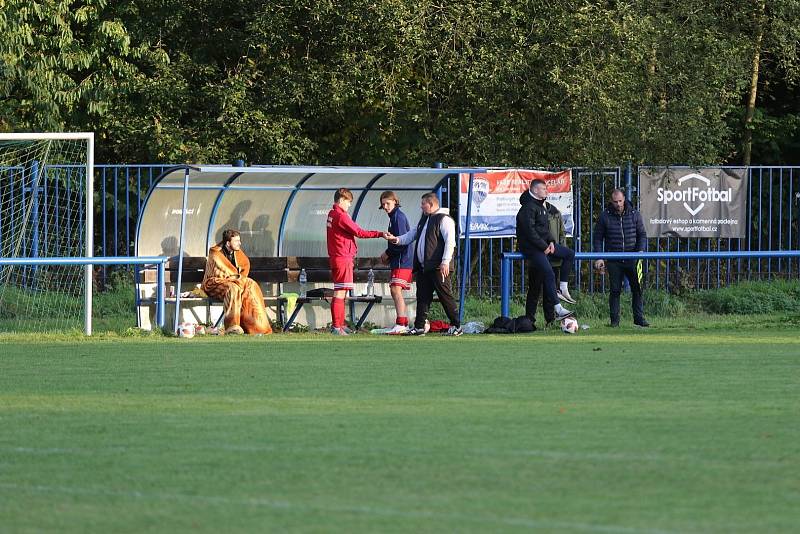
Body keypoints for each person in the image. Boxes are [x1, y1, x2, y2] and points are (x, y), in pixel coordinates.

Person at [389, 192, 463, 336]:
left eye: (423, 203)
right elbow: (412, 234)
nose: (421, 206)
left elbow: (450, 242)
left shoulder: (444, 219)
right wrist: (396, 239)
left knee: (445, 296)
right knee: (422, 297)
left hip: (438, 267)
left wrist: (445, 262)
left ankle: (457, 326)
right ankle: (419, 327)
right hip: (425, 267)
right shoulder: (425, 219)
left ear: (431, 204)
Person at [327, 187, 391, 336]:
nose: (349, 205)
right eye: (348, 202)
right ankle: (337, 327)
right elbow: (359, 232)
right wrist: (380, 234)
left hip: (337, 257)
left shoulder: (332, 214)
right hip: (343, 258)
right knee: (340, 292)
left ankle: (340, 325)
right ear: (342, 200)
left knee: (341, 291)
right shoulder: (341, 216)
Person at [516, 179, 575, 324]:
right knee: (545, 275)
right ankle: (558, 309)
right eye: (544, 189)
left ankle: (562, 288)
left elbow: (544, 229)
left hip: (544, 246)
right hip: (532, 248)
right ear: (535, 190)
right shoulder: (528, 208)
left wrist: (551, 242)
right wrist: (544, 247)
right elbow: (530, 232)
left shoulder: (541, 206)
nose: (546, 191)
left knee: (569, 254)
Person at [593, 188, 649, 327]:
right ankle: (614, 322)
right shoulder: (604, 216)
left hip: (633, 258)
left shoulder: (635, 214)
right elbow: (598, 239)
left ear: (624, 199)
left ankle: (639, 319)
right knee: (615, 290)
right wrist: (599, 258)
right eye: (615, 201)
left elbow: (642, 234)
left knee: (637, 289)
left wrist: (640, 251)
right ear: (611, 201)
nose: (618, 204)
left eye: (620, 201)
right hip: (614, 259)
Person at [202, 229, 273, 335]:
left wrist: (238, 280)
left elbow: (245, 266)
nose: (239, 243)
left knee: (251, 284)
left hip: (233, 283)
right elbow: (219, 273)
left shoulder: (238, 253)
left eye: (239, 240)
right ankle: (232, 326)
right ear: (228, 243)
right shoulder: (215, 253)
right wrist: (237, 279)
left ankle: (256, 325)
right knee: (233, 289)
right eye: (236, 241)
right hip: (213, 284)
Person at [526, 200, 568, 326]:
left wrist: (560, 252)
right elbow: (530, 233)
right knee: (534, 290)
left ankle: (551, 321)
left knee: (550, 292)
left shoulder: (556, 213)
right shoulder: (531, 213)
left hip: (553, 259)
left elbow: (562, 234)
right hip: (538, 258)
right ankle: (529, 320)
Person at [378, 191, 414, 335]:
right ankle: (402, 323)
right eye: (383, 204)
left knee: (395, 290)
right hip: (400, 260)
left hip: (402, 260)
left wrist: (387, 253)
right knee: (395, 290)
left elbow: (401, 241)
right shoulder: (393, 217)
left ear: (395, 202)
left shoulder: (398, 217)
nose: (385, 206)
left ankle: (401, 323)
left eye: (388, 203)